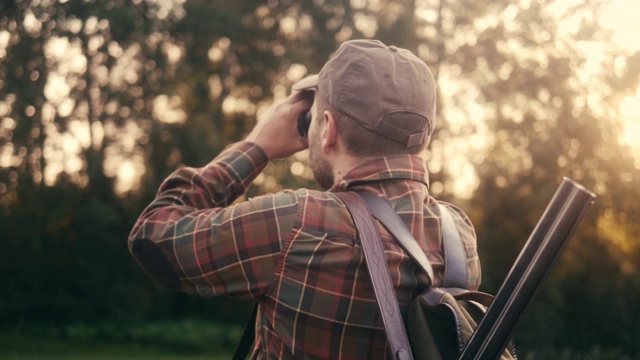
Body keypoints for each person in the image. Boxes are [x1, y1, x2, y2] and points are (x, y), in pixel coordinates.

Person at [129, 39, 481, 359]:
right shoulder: (459, 236)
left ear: (327, 128)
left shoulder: (297, 223)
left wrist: (257, 147)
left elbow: (153, 236)